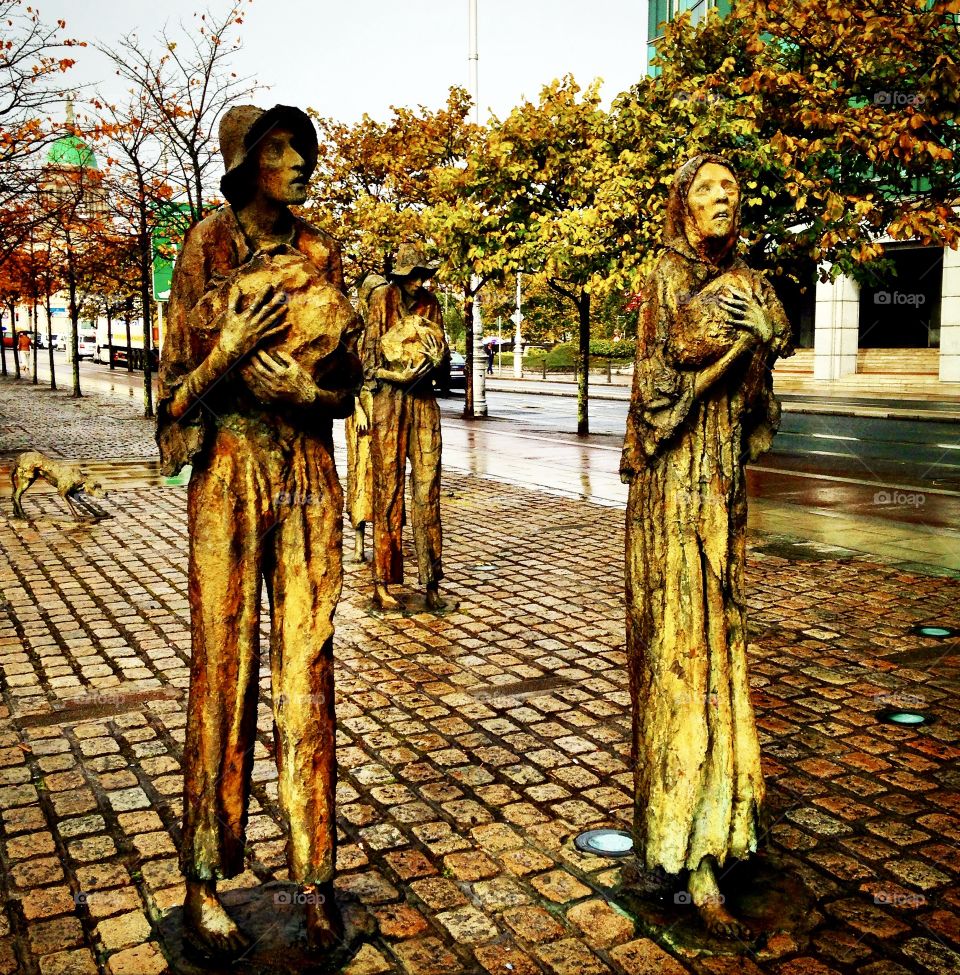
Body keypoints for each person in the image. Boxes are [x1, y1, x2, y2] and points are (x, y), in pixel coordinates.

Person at [156, 103, 359, 960]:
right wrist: (229, 350)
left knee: (308, 666)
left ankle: (315, 876)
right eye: (279, 148)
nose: (299, 161)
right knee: (222, 667)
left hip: (307, 467)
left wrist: (305, 396)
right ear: (247, 164)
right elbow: (169, 398)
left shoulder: (321, 250)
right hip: (230, 469)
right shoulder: (205, 246)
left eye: (301, 147)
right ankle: (204, 877)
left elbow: (347, 385)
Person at [620, 154, 792, 938]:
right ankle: (686, 854)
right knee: (682, 657)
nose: (723, 198)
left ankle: (724, 828)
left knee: (723, 654)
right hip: (672, 492)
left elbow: (754, 409)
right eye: (706, 188)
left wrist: (757, 354)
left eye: (731, 189)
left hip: (720, 487)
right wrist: (723, 357)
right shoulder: (661, 279)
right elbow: (655, 391)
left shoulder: (752, 282)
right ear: (682, 203)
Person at [364, 244, 449, 611]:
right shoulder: (381, 299)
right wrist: (394, 375)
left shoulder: (432, 305)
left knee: (428, 490)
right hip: (389, 402)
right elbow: (366, 365)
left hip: (423, 402)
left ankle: (431, 581)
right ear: (400, 276)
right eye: (413, 276)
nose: (419, 283)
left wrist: (437, 361)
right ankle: (382, 580)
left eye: (423, 276)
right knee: (388, 488)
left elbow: (444, 366)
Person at [345, 272, 386, 562]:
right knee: (360, 473)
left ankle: (384, 545)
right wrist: (357, 406)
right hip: (361, 410)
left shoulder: (387, 328)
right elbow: (345, 375)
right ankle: (359, 545)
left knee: (385, 475)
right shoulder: (354, 332)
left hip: (384, 408)